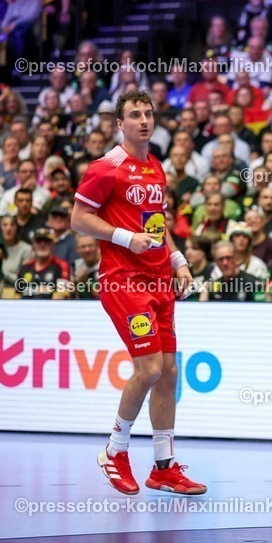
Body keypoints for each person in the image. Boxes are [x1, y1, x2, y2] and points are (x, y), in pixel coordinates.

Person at [71, 90, 205, 497]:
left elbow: (156, 222)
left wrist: (178, 259)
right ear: (120, 123)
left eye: (148, 114)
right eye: (134, 115)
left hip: (159, 279)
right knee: (149, 369)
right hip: (123, 280)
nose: (143, 120)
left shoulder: (156, 167)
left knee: (169, 372)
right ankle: (115, 451)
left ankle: (164, 467)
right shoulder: (106, 167)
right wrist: (124, 237)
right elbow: (79, 219)